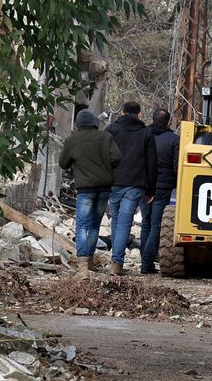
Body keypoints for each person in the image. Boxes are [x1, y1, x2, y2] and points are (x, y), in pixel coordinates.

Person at [57, 109, 120, 279]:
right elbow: (117, 157)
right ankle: (89, 260)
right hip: (104, 188)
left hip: (85, 189)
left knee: (82, 225)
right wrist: (104, 165)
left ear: (78, 124)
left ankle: (83, 267)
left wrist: (79, 164)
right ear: (94, 122)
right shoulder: (105, 137)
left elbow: (63, 163)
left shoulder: (72, 140)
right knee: (93, 226)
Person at [104, 100, 157, 276]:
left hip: (114, 181)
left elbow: (103, 154)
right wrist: (150, 190)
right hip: (135, 184)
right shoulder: (146, 133)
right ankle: (117, 263)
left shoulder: (111, 129)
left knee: (117, 220)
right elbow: (151, 162)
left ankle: (115, 261)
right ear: (139, 114)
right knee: (124, 222)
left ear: (122, 112)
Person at [140, 109, 180, 274]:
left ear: (152, 119)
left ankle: (145, 260)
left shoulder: (143, 135)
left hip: (144, 185)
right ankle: (147, 262)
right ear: (168, 122)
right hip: (162, 187)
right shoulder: (173, 140)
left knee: (146, 223)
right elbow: (176, 166)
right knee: (156, 225)